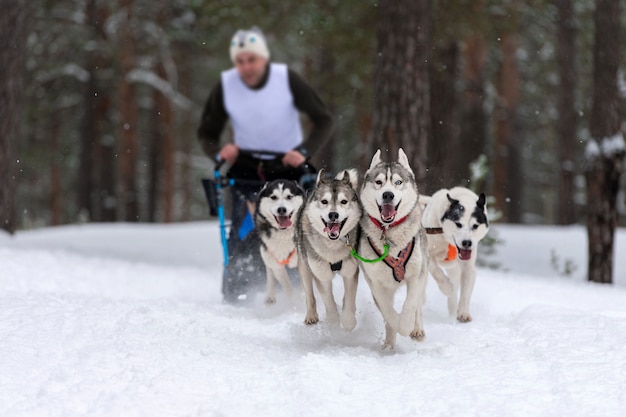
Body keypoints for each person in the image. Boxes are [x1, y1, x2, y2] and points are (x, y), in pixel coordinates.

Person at [197, 26, 334, 302]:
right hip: (245, 170)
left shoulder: (287, 80)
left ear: (263, 58)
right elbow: (206, 133)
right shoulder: (227, 86)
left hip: (289, 169)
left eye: (252, 60)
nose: (246, 67)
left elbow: (324, 120)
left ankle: (301, 286)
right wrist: (220, 151)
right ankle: (239, 288)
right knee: (246, 231)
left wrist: (304, 151)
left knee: (297, 229)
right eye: (240, 61)